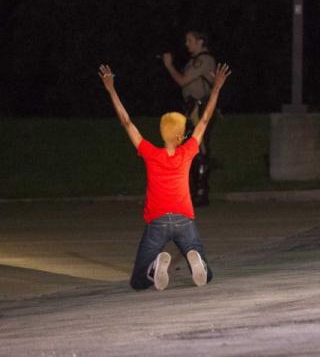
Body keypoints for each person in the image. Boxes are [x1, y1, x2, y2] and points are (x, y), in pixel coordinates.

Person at [98, 61, 231, 291]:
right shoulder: (187, 151)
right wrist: (217, 87)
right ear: (181, 136)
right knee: (206, 276)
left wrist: (111, 89)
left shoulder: (150, 153)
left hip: (157, 221)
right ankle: (194, 259)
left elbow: (127, 122)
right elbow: (205, 120)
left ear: (162, 132)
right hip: (184, 220)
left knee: (138, 282)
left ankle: (153, 267)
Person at [162, 30, 217, 206]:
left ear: (201, 41)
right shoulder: (192, 62)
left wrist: (169, 65)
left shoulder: (204, 60)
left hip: (200, 109)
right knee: (188, 149)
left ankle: (201, 192)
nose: (187, 44)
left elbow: (183, 81)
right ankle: (191, 191)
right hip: (191, 108)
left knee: (199, 148)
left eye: (190, 40)